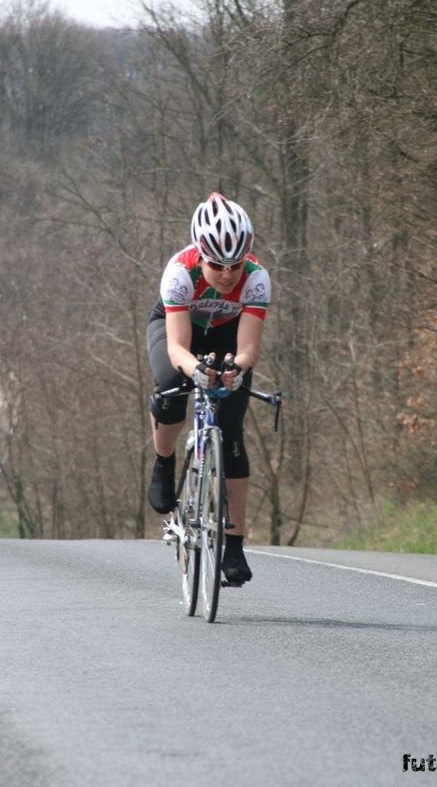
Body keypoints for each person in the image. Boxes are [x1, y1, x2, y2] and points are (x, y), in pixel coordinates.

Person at [146, 192, 271, 583]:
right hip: (182, 334)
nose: (228, 274)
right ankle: (163, 462)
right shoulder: (180, 273)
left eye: (235, 264)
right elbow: (177, 346)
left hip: (227, 338)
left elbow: (248, 347)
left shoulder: (256, 278)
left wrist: (237, 367)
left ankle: (234, 546)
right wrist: (195, 369)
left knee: (232, 430)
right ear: (201, 254)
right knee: (169, 387)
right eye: (217, 264)